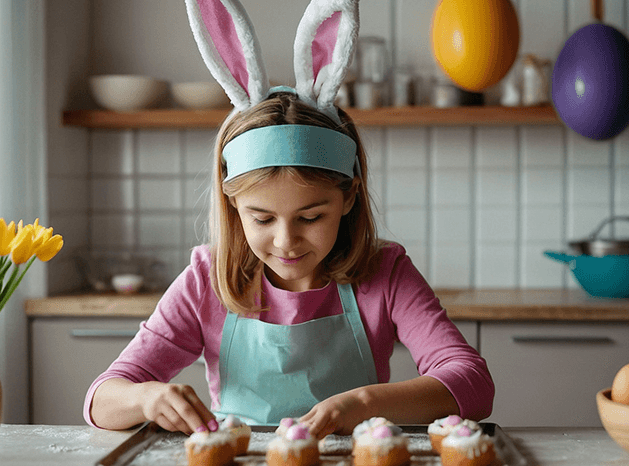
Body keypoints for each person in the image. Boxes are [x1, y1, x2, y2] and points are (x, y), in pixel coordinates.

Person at [83, 0, 493, 438]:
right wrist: (147, 397)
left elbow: (473, 383)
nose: (286, 241)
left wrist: (365, 401)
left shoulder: (385, 274)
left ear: (349, 197)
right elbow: (101, 399)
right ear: (233, 205)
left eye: (311, 216)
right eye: (262, 219)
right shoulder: (207, 280)